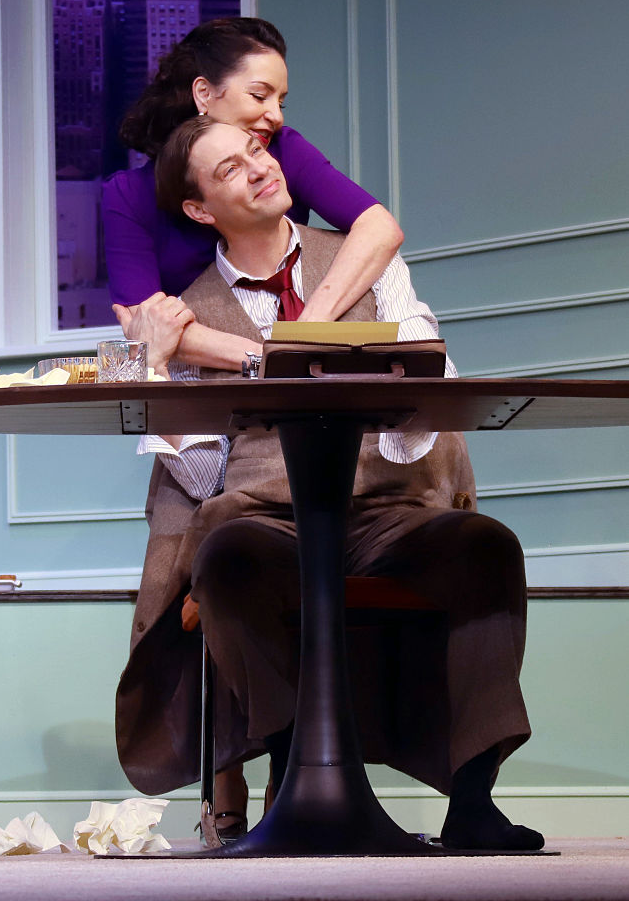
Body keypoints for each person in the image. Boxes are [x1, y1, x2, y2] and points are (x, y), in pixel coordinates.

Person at [115, 117, 545, 852]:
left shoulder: (361, 261)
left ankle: (473, 802)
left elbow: (428, 379)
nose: (258, 167)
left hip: (386, 508)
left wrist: (402, 375)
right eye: (229, 169)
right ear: (198, 209)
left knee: (484, 546)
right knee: (226, 557)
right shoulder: (187, 313)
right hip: (265, 517)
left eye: (256, 151)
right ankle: (298, 780)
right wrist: (155, 367)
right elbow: (205, 476)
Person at [102, 16, 404, 373]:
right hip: (211, 378)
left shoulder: (283, 152)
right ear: (204, 93)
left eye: (281, 102)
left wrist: (306, 336)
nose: (275, 116)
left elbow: (379, 228)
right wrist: (276, 360)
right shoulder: (129, 195)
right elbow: (144, 325)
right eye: (259, 95)